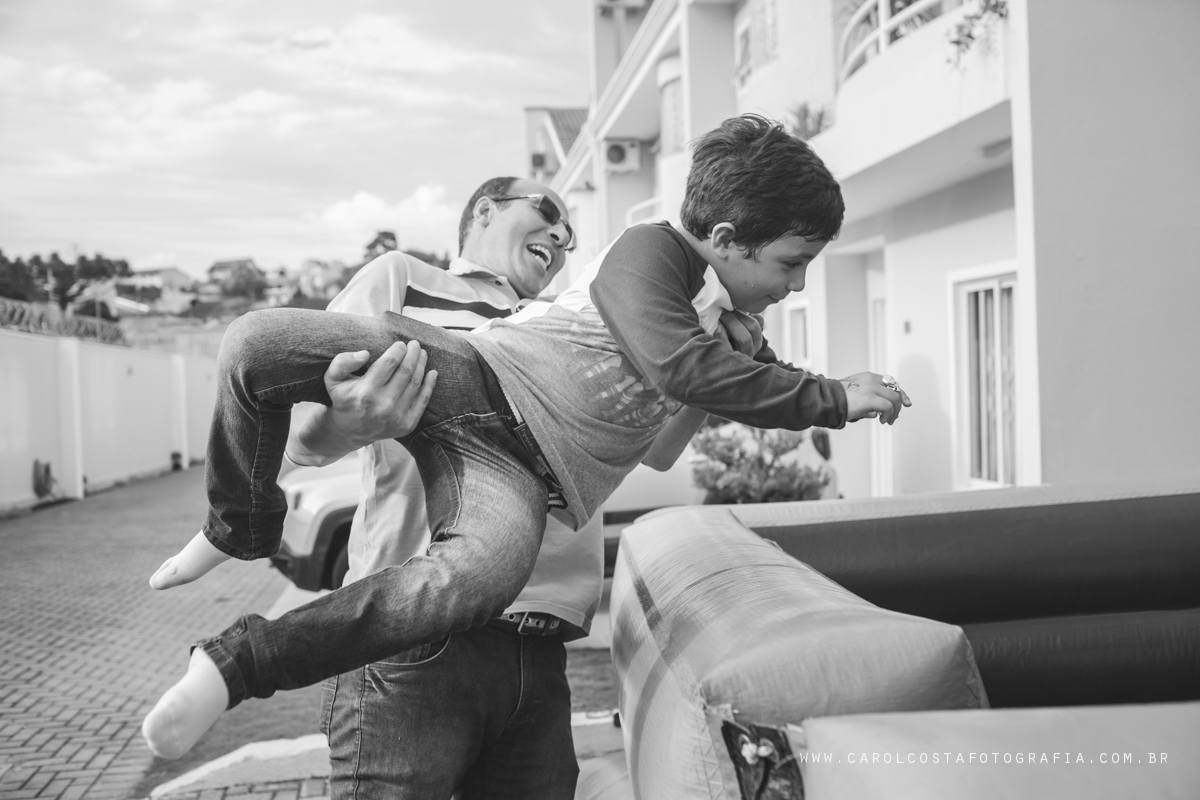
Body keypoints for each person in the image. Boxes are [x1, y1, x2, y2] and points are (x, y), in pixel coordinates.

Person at [141, 114, 912, 765]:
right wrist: (835, 399)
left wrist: (784, 374)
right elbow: (684, 366)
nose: (796, 285)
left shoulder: (711, 323)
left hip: (519, 488)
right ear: (726, 237)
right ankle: (236, 527)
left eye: (570, 230)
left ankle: (234, 665)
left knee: (474, 577)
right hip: (469, 382)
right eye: (793, 265)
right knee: (252, 343)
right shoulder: (649, 254)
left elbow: (681, 425)